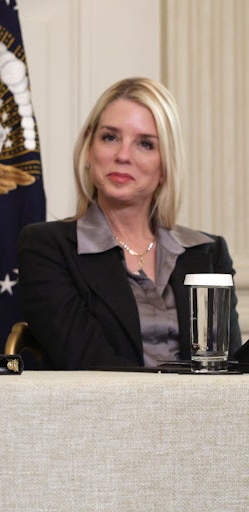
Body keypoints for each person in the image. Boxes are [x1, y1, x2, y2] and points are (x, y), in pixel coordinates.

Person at [16, 77, 240, 370]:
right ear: (88, 149)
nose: (122, 155)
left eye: (145, 144)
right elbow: (87, 365)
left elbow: (230, 372)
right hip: (101, 415)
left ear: (165, 165)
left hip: (204, 415)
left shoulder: (208, 253)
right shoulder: (46, 247)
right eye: (110, 137)